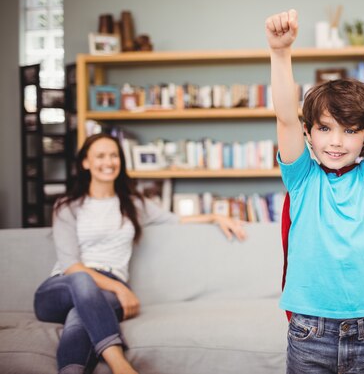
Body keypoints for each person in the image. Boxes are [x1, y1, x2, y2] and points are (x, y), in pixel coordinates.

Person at [265, 9, 364, 373]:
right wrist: (279, 52)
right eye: (325, 128)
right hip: (309, 331)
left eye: (350, 130)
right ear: (308, 132)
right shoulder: (302, 177)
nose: (336, 142)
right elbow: (285, 117)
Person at [33, 133, 246, 374]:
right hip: (61, 288)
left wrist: (215, 216)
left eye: (114, 155)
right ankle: (120, 364)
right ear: (85, 163)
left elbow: (176, 220)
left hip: (103, 292)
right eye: (100, 156)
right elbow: (72, 266)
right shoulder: (67, 206)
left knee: (80, 316)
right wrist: (120, 288)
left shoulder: (133, 204)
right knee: (82, 281)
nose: (109, 162)